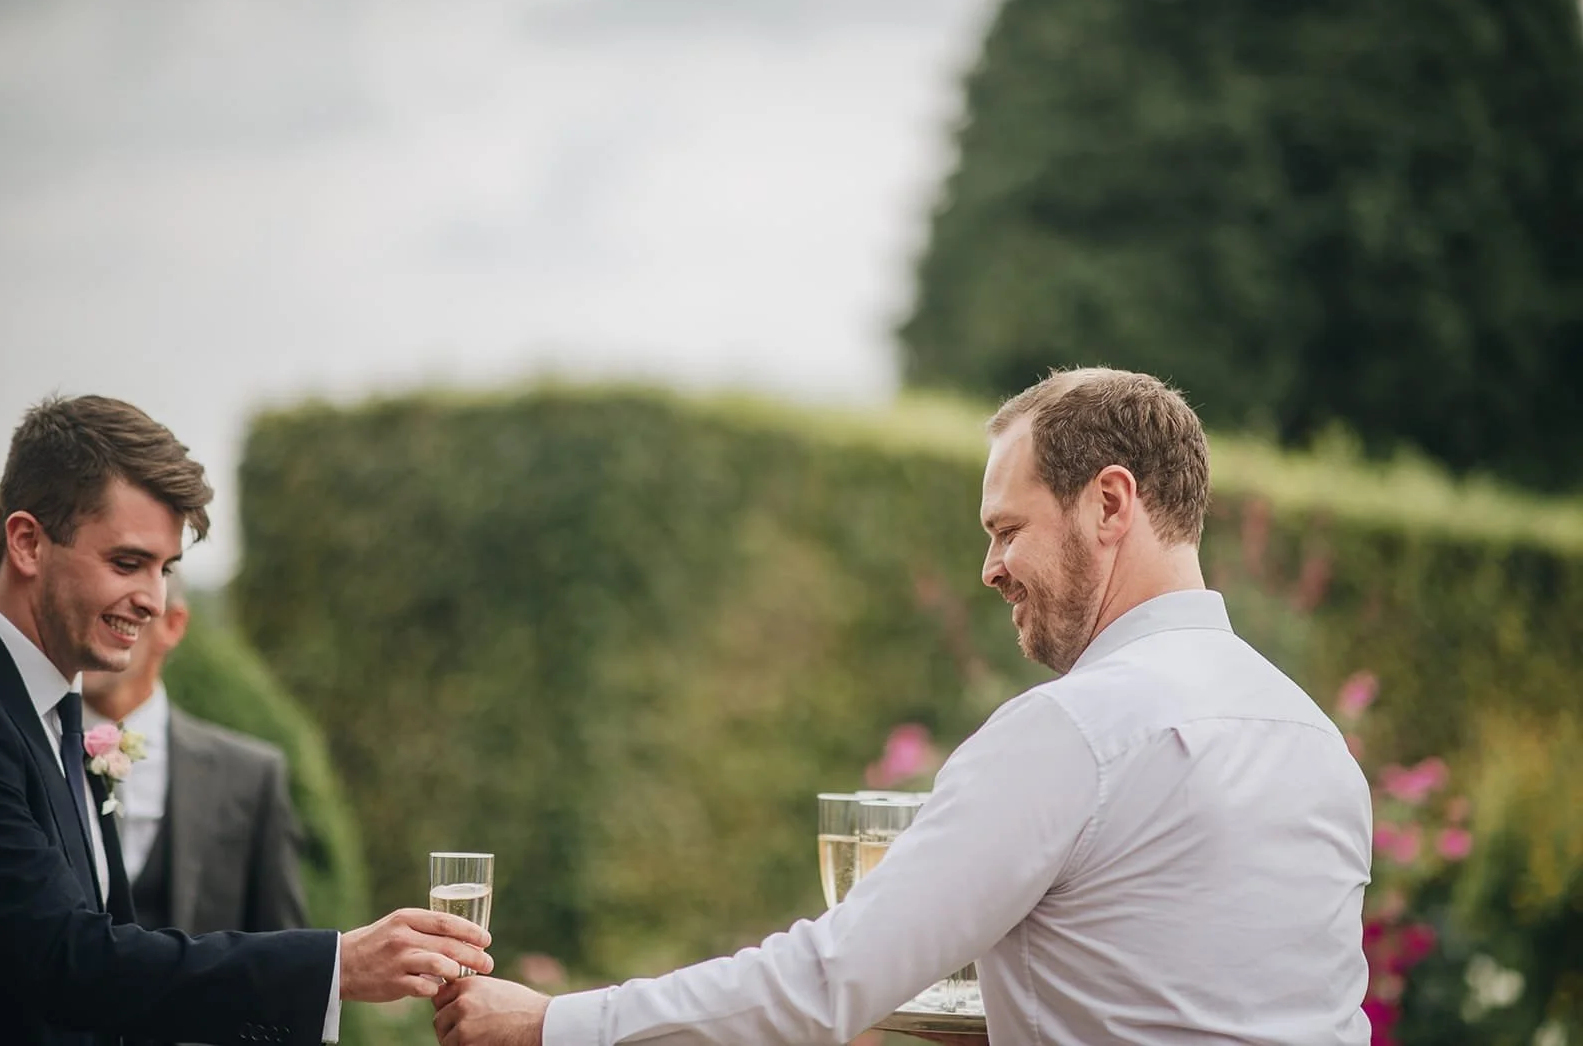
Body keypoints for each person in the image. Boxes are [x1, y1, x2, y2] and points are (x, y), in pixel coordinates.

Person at [432, 367, 1373, 1046]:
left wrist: (554, 1023)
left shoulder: (1072, 732)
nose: (990, 568)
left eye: (1007, 528)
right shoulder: (1316, 740)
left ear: (1110, 504)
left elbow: (830, 982)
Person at [0, 394, 494, 1046]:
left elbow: (110, 970)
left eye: (166, 569)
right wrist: (337, 964)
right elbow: (65, 959)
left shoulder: (60, 713)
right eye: (127, 563)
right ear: (28, 542)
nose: (153, 601)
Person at [82, 575, 310, 939]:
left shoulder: (250, 777)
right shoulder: (22, 749)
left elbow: (283, 947)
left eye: (116, 618)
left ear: (172, 625)